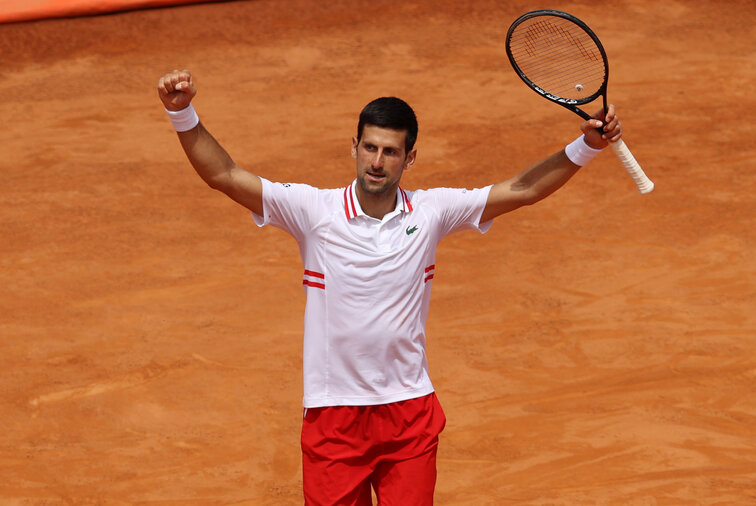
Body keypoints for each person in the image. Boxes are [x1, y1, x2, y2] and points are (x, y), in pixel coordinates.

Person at [157, 69, 622, 505]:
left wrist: (585, 147)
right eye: (370, 148)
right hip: (333, 417)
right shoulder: (313, 212)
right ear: (354, 147)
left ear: (410, 157)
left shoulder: (432, 211)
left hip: (409, 415)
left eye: (391, 151)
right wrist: (182, 113)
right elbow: (225, 176)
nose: (377, 162)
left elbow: (522, 189)